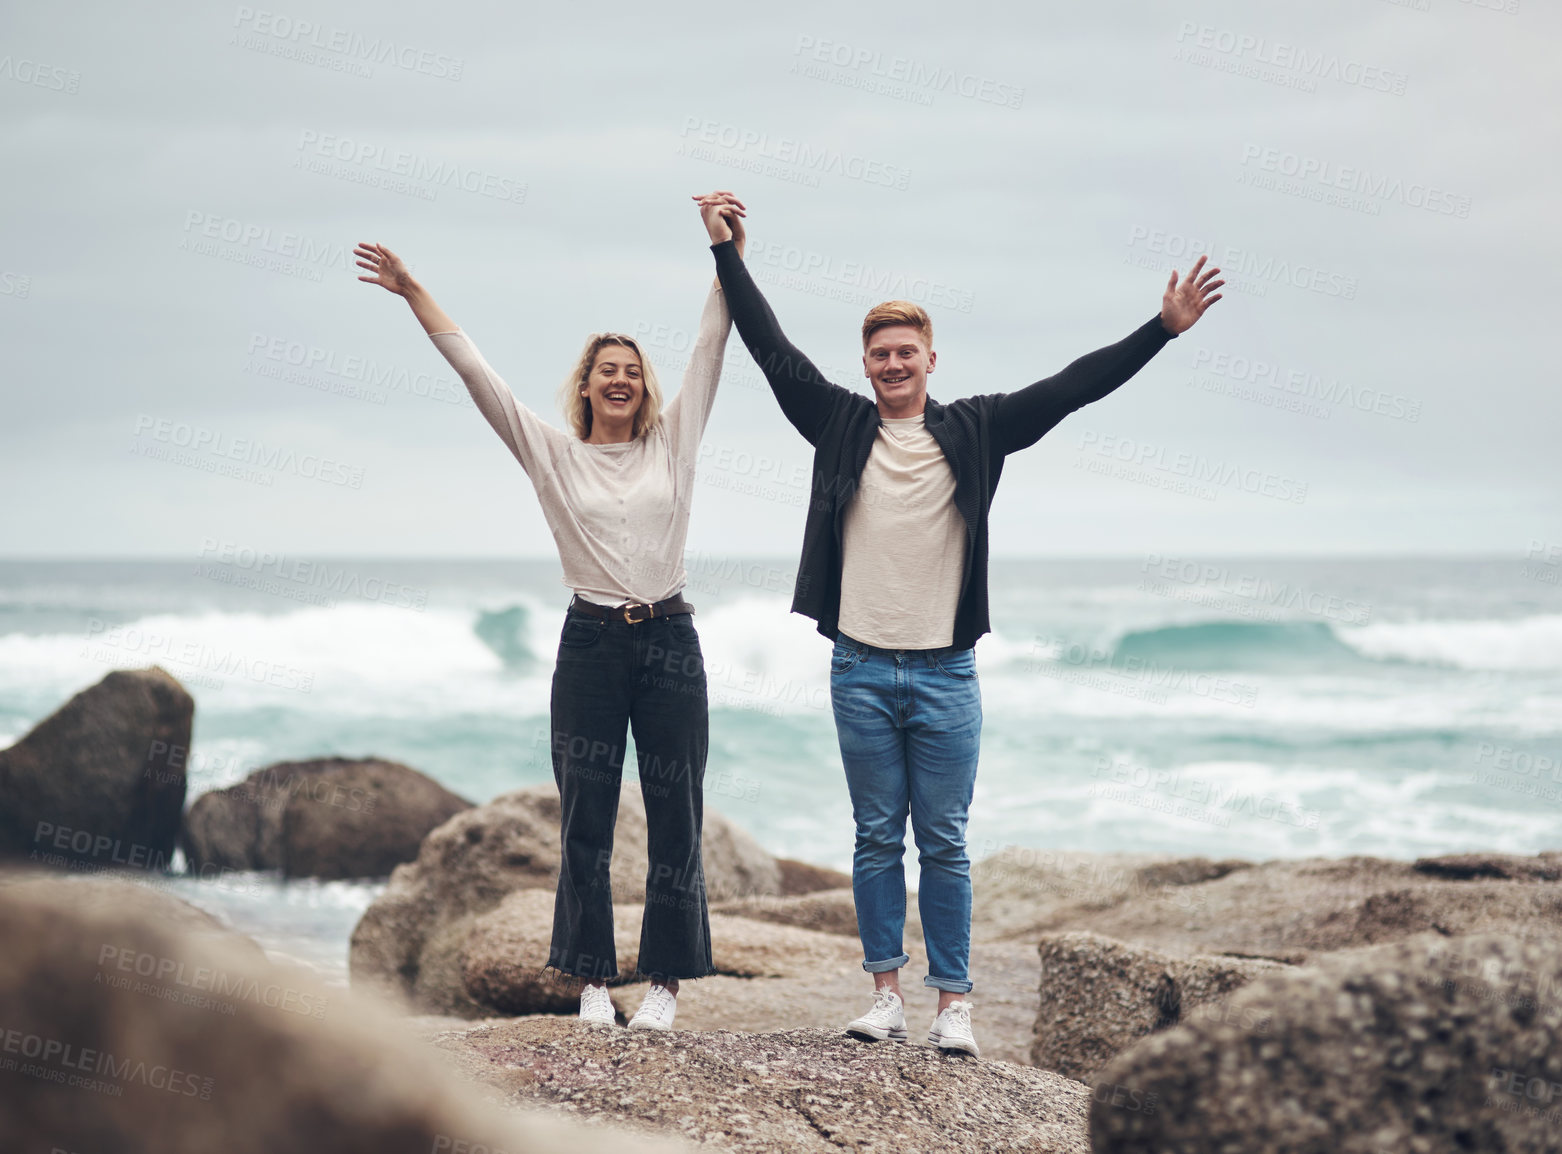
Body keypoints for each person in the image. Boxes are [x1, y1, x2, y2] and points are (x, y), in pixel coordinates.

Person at [693, 190, 1223, 1056]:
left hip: (945, 674)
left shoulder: (977, 428)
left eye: (906, 351)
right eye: (879, 354)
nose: (893, 364)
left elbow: (1072, 388)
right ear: (865, 365)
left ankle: (953, 1005)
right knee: (873, 839)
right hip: (860, 668)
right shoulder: (837, 423)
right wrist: (728, 255)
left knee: (942, 842)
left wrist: (1158, 330)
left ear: (931, 358)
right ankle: (884, 997)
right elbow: (769, 349)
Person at [355, 195, 748, 1031]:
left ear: (644, 385)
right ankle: (593, 983)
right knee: (586, 819)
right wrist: (414, 290)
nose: (621, 377)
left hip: (671, 638)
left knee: (676, 813)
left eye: (632, 368)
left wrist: (726, 254)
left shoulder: (674, 442)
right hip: (592, 644)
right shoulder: (552, 453)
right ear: (587, 382)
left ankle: (667, 984)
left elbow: (715, 343)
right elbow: (476, 374)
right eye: (606, 367)